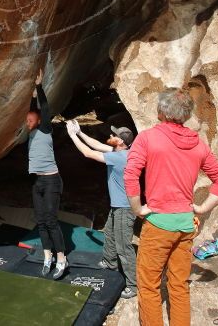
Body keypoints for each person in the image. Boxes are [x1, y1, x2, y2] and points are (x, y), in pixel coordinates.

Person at [124, 88, 218, 326]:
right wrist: (202, 208)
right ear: (186, 114)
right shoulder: (198, 144)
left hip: (158, 225)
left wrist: (138, 209)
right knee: (179, 285)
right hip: (185, 224)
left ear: (162, 111)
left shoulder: (148, 138)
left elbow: (130, 175)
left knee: (149, 286)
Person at [65, 119, 138, 300]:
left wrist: (72, 136)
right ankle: (109, 262)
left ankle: (133, 284)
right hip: (118, 205)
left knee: (124, 246)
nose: (111, 135)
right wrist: (80, 132)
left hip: (124, 208)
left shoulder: (119, 158)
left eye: (115, 135)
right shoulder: (122, 151)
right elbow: (97, 145)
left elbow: (88, 153)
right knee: (110, 234)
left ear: (120, 142)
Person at [26, 68, 67, 279]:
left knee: (51, 220)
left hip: (52, 181)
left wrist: (39, 87)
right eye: (26, 120)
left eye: (30, 120)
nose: (27, 123)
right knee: (41, 221)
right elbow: (32, 112)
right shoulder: (32, 132)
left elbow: (44, 109)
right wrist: (32, 97)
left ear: (39, 121)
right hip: (38, 182)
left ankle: (61, 259)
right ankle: (47, 257)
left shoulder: (45, 129)